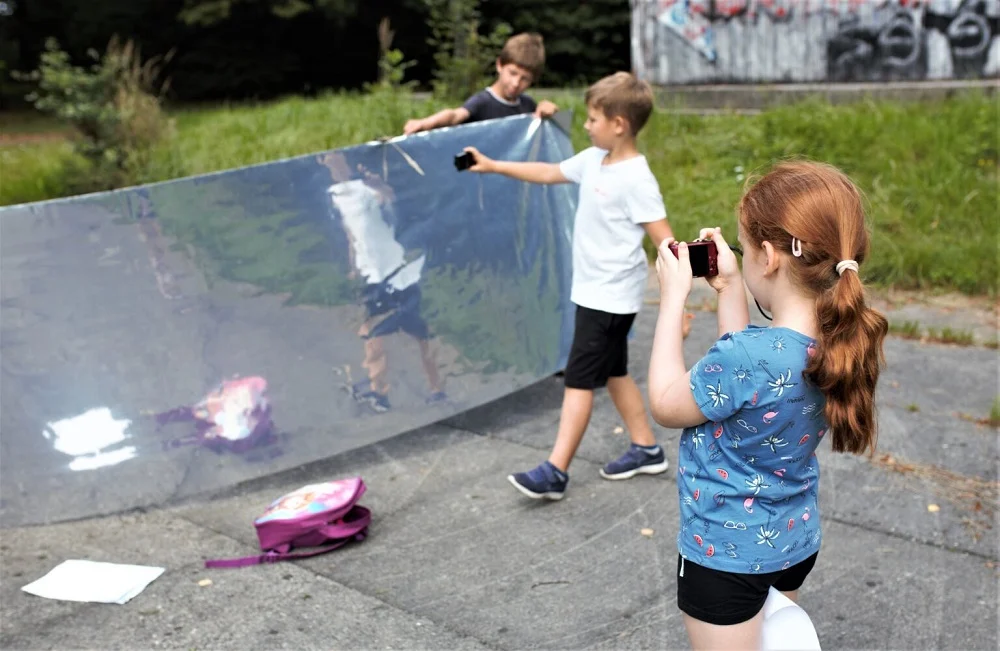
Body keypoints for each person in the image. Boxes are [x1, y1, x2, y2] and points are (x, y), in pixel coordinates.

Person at [647, 161, 888, 650]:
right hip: (792, 543)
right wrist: (731, 285)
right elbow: (742, 384)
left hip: (724, 557)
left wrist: (672, 298)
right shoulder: (841, 341)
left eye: (743, 245)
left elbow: (666, 404)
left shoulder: (748, 358)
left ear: (770, 257)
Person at [463, 71, 679, 500]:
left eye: (593, 118)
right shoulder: (594, 160)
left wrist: (680, 308)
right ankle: (646, 448)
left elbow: (666, 243)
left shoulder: (637, 179)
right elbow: (547, 172)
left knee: (578, 379)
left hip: (610, 297)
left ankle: (555, 472)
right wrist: (491, 165)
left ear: (619, 124)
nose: (586, 125)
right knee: (614, 371)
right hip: (596, 292)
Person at [318, 151, 446, 413]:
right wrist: (353, 266)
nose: (333, 159)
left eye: (336, 154)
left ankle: (437, 388)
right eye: (327, 157)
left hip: (397, 271)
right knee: (371, 335)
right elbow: (350, 234)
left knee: (419, 334)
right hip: (372, 277)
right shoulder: (333, 195)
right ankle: (380, 394)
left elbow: (391, 204)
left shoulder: (366, 187)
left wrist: (378, 186)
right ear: (321, 162)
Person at [402, 32, 559, 135]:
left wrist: (549, 113)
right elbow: (454, 116)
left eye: (525, 79)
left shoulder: (527, 105)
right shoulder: (482, 102)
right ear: (499, 65)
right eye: (512, 73)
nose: (516, 82)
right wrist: (424, 123)